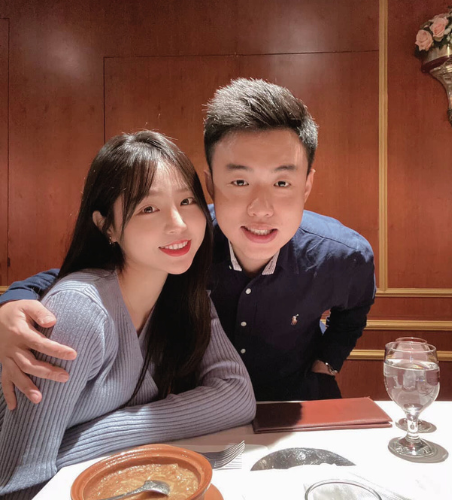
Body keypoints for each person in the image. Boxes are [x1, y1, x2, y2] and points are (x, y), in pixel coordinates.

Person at [0, 78, 375, 403]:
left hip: (296, 400)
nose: (261, 209)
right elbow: (88, 277)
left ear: (306, 185)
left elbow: (353, 312)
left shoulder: (344, 256)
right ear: (210, 184)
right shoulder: (183, 240)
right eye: (240, 181)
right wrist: (10, 306)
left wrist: (327, 363)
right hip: (197, 410)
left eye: (281, 182)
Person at [0, 131, 255, 499]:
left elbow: (237, 396)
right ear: (107, 226)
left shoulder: (185, 295)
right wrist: (118, 443)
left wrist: (112, 435)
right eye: (148, 208)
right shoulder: (79, 311)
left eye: (187, 201)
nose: (179, 223)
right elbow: (18, 481)